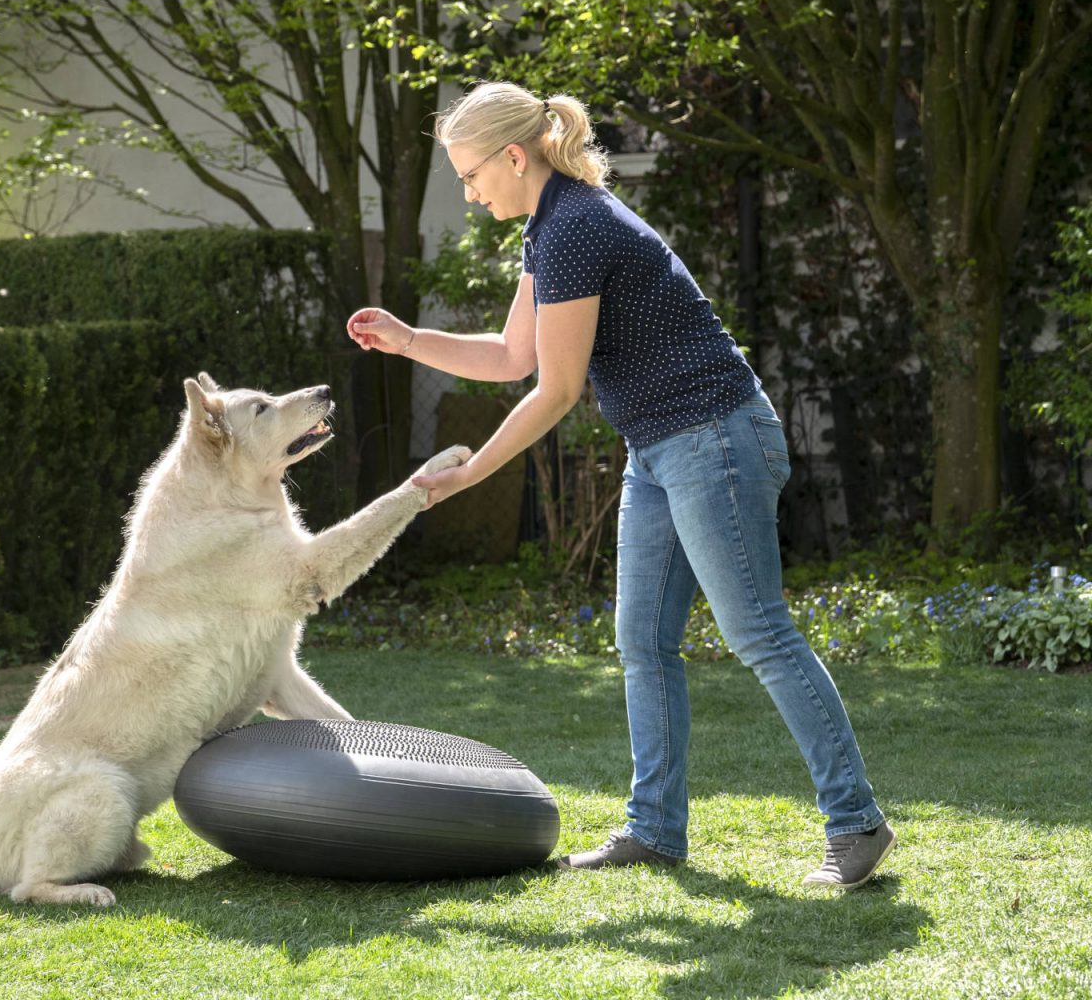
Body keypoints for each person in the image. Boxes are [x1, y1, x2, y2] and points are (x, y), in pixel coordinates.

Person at [345, 82, 895, 889]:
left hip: (714, 437)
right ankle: (656, 830)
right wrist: (407, 339)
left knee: (758, 634)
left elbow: (557, 391)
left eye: (470, 175)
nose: (468, 192)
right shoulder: (550, 227)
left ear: (512, 156)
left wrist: (471, 473)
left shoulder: (576, 227)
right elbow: (511, 357)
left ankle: (856, 824)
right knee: (641, 641)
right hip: (661, 446)